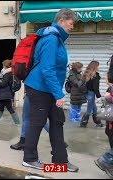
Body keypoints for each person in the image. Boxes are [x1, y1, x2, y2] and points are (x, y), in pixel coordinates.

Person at [22, 8, 79, 172]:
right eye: (71, 22)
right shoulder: (51, 39)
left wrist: (56, 92)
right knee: (37, 123)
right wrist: (58, 94)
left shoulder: (57, 38)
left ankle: (61, 161)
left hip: (49, 89)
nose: (72, 26)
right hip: (39, 88)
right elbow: (47, 69)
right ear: (62, 20)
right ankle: (29, 158)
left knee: (57, 122)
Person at [0, 59, 20, 124]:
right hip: (5, 94)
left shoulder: (7, 73)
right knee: (1, 108)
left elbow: (3, 84)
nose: (2, 66)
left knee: (10, 109)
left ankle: (17, 123)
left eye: (3, 65)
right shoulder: (9, 72)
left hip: (5, 94)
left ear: (5, 65)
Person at [80, 61, 104, 128]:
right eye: (98, 66)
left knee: (94, 108)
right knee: (89, 110)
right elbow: (95, 87)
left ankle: (98, 122)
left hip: (86, 93)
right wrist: (98, 96)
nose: (99, 67)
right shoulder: (95, 75)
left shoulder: (86, 73)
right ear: (95, 67)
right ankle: (83, 123)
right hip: (91, 93)